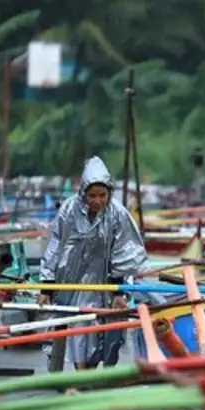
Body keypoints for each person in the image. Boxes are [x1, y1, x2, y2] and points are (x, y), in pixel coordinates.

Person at [37, 156, 148, 370]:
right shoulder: (69, 211)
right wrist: (46, 286)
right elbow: (55, 247)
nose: (97, 201)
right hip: (73, 283)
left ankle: (94, 376)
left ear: (109, 193)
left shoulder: (117, 214)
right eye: (92, 196)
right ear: (83, 194)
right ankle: (79, 376)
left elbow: (124, 250)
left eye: (102, 195)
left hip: (106, 284)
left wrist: (118, 290)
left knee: (106, 335)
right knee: (78, 330)